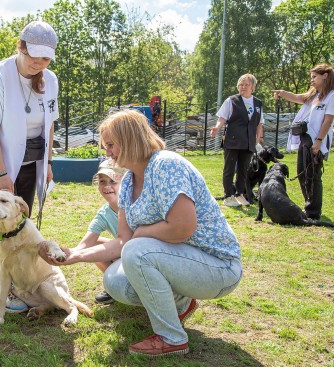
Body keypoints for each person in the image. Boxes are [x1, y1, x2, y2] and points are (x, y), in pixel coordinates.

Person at [43, 109, 242, 357]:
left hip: (219, 267)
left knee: (137, 251)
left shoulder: (166, 165)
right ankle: (181, 304)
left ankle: (172, 338)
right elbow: (123, 241)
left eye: (111, 145)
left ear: (129, 140)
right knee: (116, 281)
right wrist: (75, 255)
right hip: (185, 263)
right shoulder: (127, 183)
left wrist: (143, 233)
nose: (107, 152)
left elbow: (182, 228)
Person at [0, 20, 59, 312]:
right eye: (33, 55)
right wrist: (1, 176)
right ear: (20, 46)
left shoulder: (51, 79)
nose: (39, 63)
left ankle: (19, 282)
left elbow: (49, 126)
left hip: (32, 162)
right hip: (1, 160)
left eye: (46, 58)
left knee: (19, 222)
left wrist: (47, 163)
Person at [272, 63, 334, 220]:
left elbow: (327, 121)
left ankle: (313, 212)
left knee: (312, 174)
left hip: (317, 139)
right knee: (302, 173)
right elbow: (299, 98)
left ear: (325, 76)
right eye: (311, 77)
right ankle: (309, 204)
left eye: (314, 77)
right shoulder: (314, 95)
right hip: (304, 137)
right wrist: (282, 93)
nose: (311, 80)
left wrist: (318, 141)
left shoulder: (331, 96)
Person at [73, 159, 126, 304]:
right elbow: (86, 243)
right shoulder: (104, 213)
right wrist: (68, 254)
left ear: (125, 182)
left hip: (140, 253)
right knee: (93, 245)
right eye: (102, 181)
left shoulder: (135, 204)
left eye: (113, 181)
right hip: (124, 252)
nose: (107, 186)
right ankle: (114, 287)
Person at [210, 74, 264, 207]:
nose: (243, 87)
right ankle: (228, 196)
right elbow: (222, 117)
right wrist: (217, 128)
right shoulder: (231, 100)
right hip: (233, 140)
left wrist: (259, 136)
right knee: (229, 169)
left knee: (243, 170)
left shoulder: (258, 103)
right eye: (241, 84)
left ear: (253, 87)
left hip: (248, 142)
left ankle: (240, 194)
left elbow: (259, 123)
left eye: (246, 85)